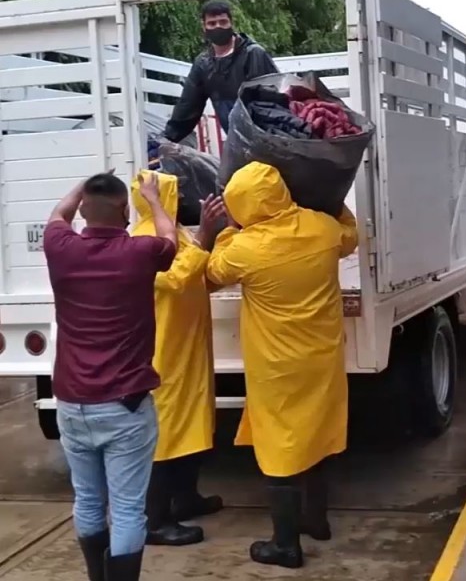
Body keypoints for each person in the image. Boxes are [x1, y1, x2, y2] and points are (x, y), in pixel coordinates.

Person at [206, 162, 358, 569]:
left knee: (281, 448)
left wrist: (225, 231)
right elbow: (350, 235)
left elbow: (209, 274)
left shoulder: (244, 249)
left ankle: (285, 544)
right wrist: (332, 202)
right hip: (322, 358)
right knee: (318, 436)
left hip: (276, 367)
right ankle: (317, 520)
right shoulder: (322, 229)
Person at [43, 172, 177, 581]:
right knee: (127, 509)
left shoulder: (60, 247)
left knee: (87, 500)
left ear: (83, 209)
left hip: (70, 401)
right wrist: (153, 200)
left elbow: (57, 214)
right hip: (124, 405)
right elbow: (170, 238)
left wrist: (81, 186)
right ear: (124, 211)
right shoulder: (140, 252)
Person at [128, 171, 227, 547]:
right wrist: (205, 235)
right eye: (175, 190)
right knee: (165, 434)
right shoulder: (143, 238)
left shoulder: (174, 231)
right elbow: (174, 276)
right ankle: (155, 521)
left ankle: (186, 499)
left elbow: (198, 274)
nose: (182, 195)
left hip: (188, 348)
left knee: (194, 423)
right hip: (163, 354)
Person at [163, 0, 279, 144]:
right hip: (236, 141)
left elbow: (271, 101)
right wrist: (168, 138)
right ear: (204, 27)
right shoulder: (203, 64)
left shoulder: (253, 54)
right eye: (212, 23)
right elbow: (188, 106)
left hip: (268, 138)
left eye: (223, 22)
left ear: (231, 23)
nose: (218, 27)